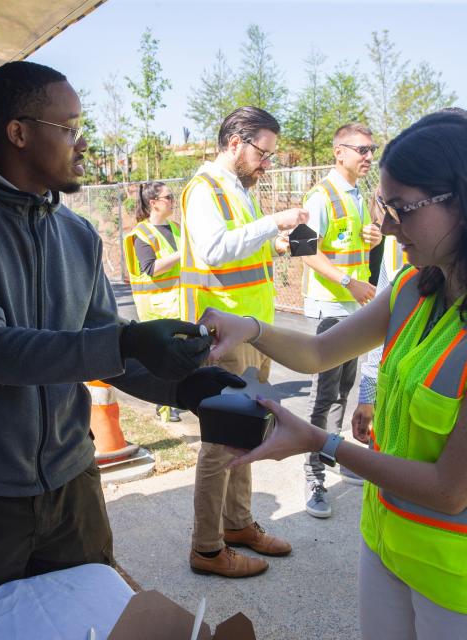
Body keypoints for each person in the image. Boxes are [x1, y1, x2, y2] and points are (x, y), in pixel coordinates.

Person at [201, 109, 467, 639]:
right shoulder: (417, 286)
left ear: (465, 202)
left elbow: (452, 489)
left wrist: (322, 442)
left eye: (402, 209)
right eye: (387, 206)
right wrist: (247, 327)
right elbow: (320, 352)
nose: (386, 225)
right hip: (389, 543)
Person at [0, 61, 240, 615]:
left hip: (72, 486)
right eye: (71, 127)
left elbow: (107, 350)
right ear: (19, 132)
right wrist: (127, 342)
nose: (83, 144)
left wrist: (190, 389)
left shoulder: (77, 234)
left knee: (86, 622)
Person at [180, 106, 307, 578]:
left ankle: (236, 525)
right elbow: (214, 249)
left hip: (250, 332)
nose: (266, 163)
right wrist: (273, 222)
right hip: (223, 338)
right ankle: (208, 549)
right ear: (235, 142)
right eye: (263, 152)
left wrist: (277, 242)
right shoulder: (203, 189)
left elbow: (237, 246)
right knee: (219, 442)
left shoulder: (236, 189)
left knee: (245, 434)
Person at [298, 123, 382, 518]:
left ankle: (335, 456)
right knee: (322, 396)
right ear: (339, 153)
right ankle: (312, 475)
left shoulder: (356, 195)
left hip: (352, 309)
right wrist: (349, 282)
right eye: (361, 150)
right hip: (330, 310)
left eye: (371, 149)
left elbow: (350, 243)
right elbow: (304, 250)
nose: (368, 157)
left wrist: (372, 238)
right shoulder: (320, 195)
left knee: (344, 390)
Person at [124, 181, 183, 421]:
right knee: (164, 358)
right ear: (154, 203)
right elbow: (151, 268)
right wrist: (183, 253)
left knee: (181, 355)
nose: (173, 200)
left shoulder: (177, 228)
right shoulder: (142, 234)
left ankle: (178, 398)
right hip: (157, 306)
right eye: (168, 197)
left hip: (181, 302)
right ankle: (164, 406)